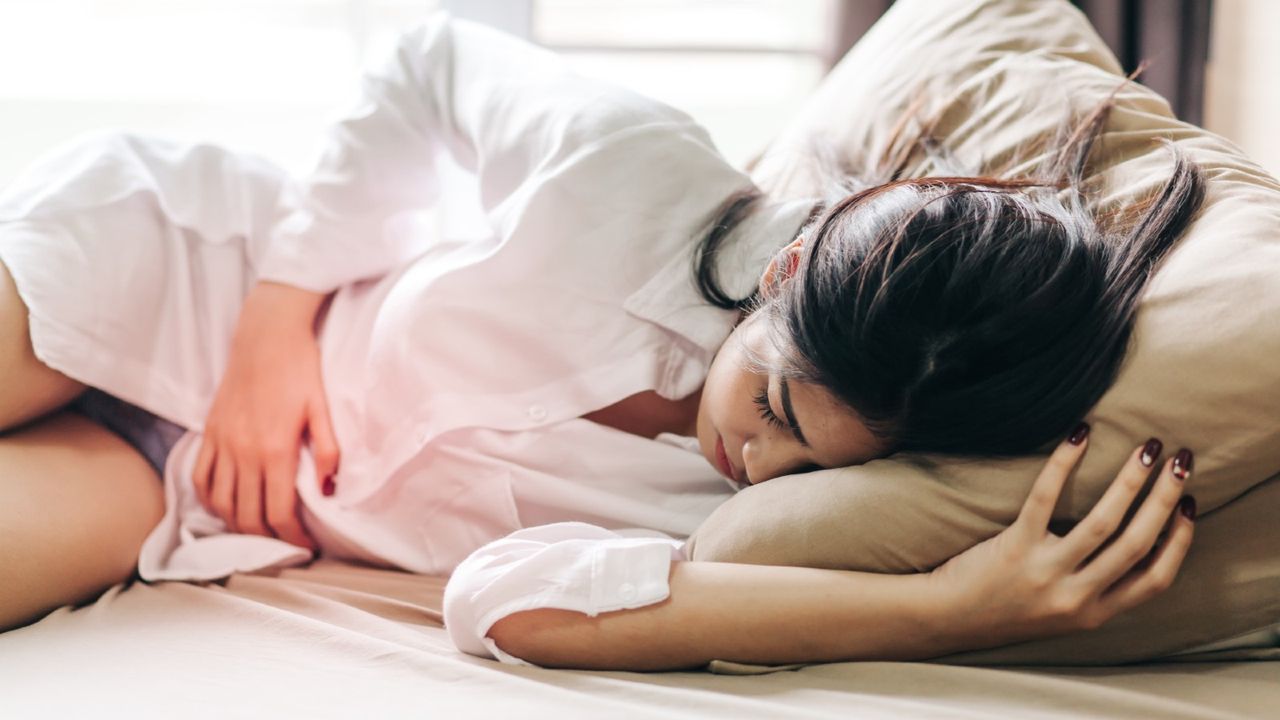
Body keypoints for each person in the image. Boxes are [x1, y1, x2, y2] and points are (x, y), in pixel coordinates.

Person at [0, 12, 1200, 670]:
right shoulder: (638, 172)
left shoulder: (785, 511)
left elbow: (503, 603)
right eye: (776, 409)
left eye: (820, 465)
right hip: (184, 276)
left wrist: (943, 611)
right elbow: (424, 63)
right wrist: (275, 325)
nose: (759, 465)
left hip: (204, 496)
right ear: (785, 271)